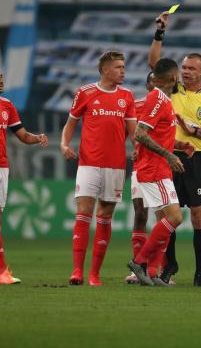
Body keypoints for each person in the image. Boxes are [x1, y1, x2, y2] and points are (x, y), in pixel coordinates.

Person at [148, 12, 201, 286]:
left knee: (198, 214)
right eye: (184, 67)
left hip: (199, 159)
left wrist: (196, 131)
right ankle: (170, 266)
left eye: (192, 68)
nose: (186, 71)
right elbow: (155, 64)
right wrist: (160, 33)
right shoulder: (172, 89)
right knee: (171, 215)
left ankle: (200, 273)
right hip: (170, 158)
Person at [61, 51, 137, 286]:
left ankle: (94, 275)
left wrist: (137, 147)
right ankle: (77, 272)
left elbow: (134, 132)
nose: (123, 71)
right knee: (83, 213)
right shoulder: (85, 93)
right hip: (88, 163)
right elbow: (70, 123)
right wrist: (64, 144)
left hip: (115, 166)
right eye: (118, 67)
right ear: (105, 70)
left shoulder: (127, 96)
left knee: (105, 216)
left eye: (124, 67)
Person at [126, 71, 193, 284]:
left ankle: (151, 270)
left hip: (157, 168)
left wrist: (179, 145)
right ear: (173, 78)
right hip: (153, 169)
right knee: (170, 217)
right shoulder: (155, 99)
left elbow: (159, 137)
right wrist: (167, 154)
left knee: (165, 219)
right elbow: (138, 133)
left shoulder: (166, 103)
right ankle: (141, 263)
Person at [0, 72, 48, 284]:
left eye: (2, 76)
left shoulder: (7, 105)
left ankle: (2, 271)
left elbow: (22, 135)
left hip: (1, 167)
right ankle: (2, 271)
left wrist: (37, 138)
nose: (2, 80)